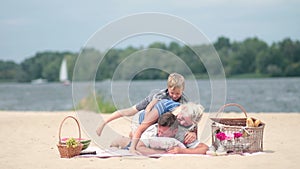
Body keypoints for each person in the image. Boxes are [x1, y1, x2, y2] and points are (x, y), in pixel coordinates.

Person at [96, 72, 188, 137]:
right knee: (129, 111)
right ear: (168, 88)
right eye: (172, 93)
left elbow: (191, 117)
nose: (174, 96)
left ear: (182, 90)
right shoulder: (161, 96)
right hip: (150, 105)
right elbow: (148, 109)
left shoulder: (184, 101)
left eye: (177, 94)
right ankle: (103, 123)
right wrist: (145, 126)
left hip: (162, 116)